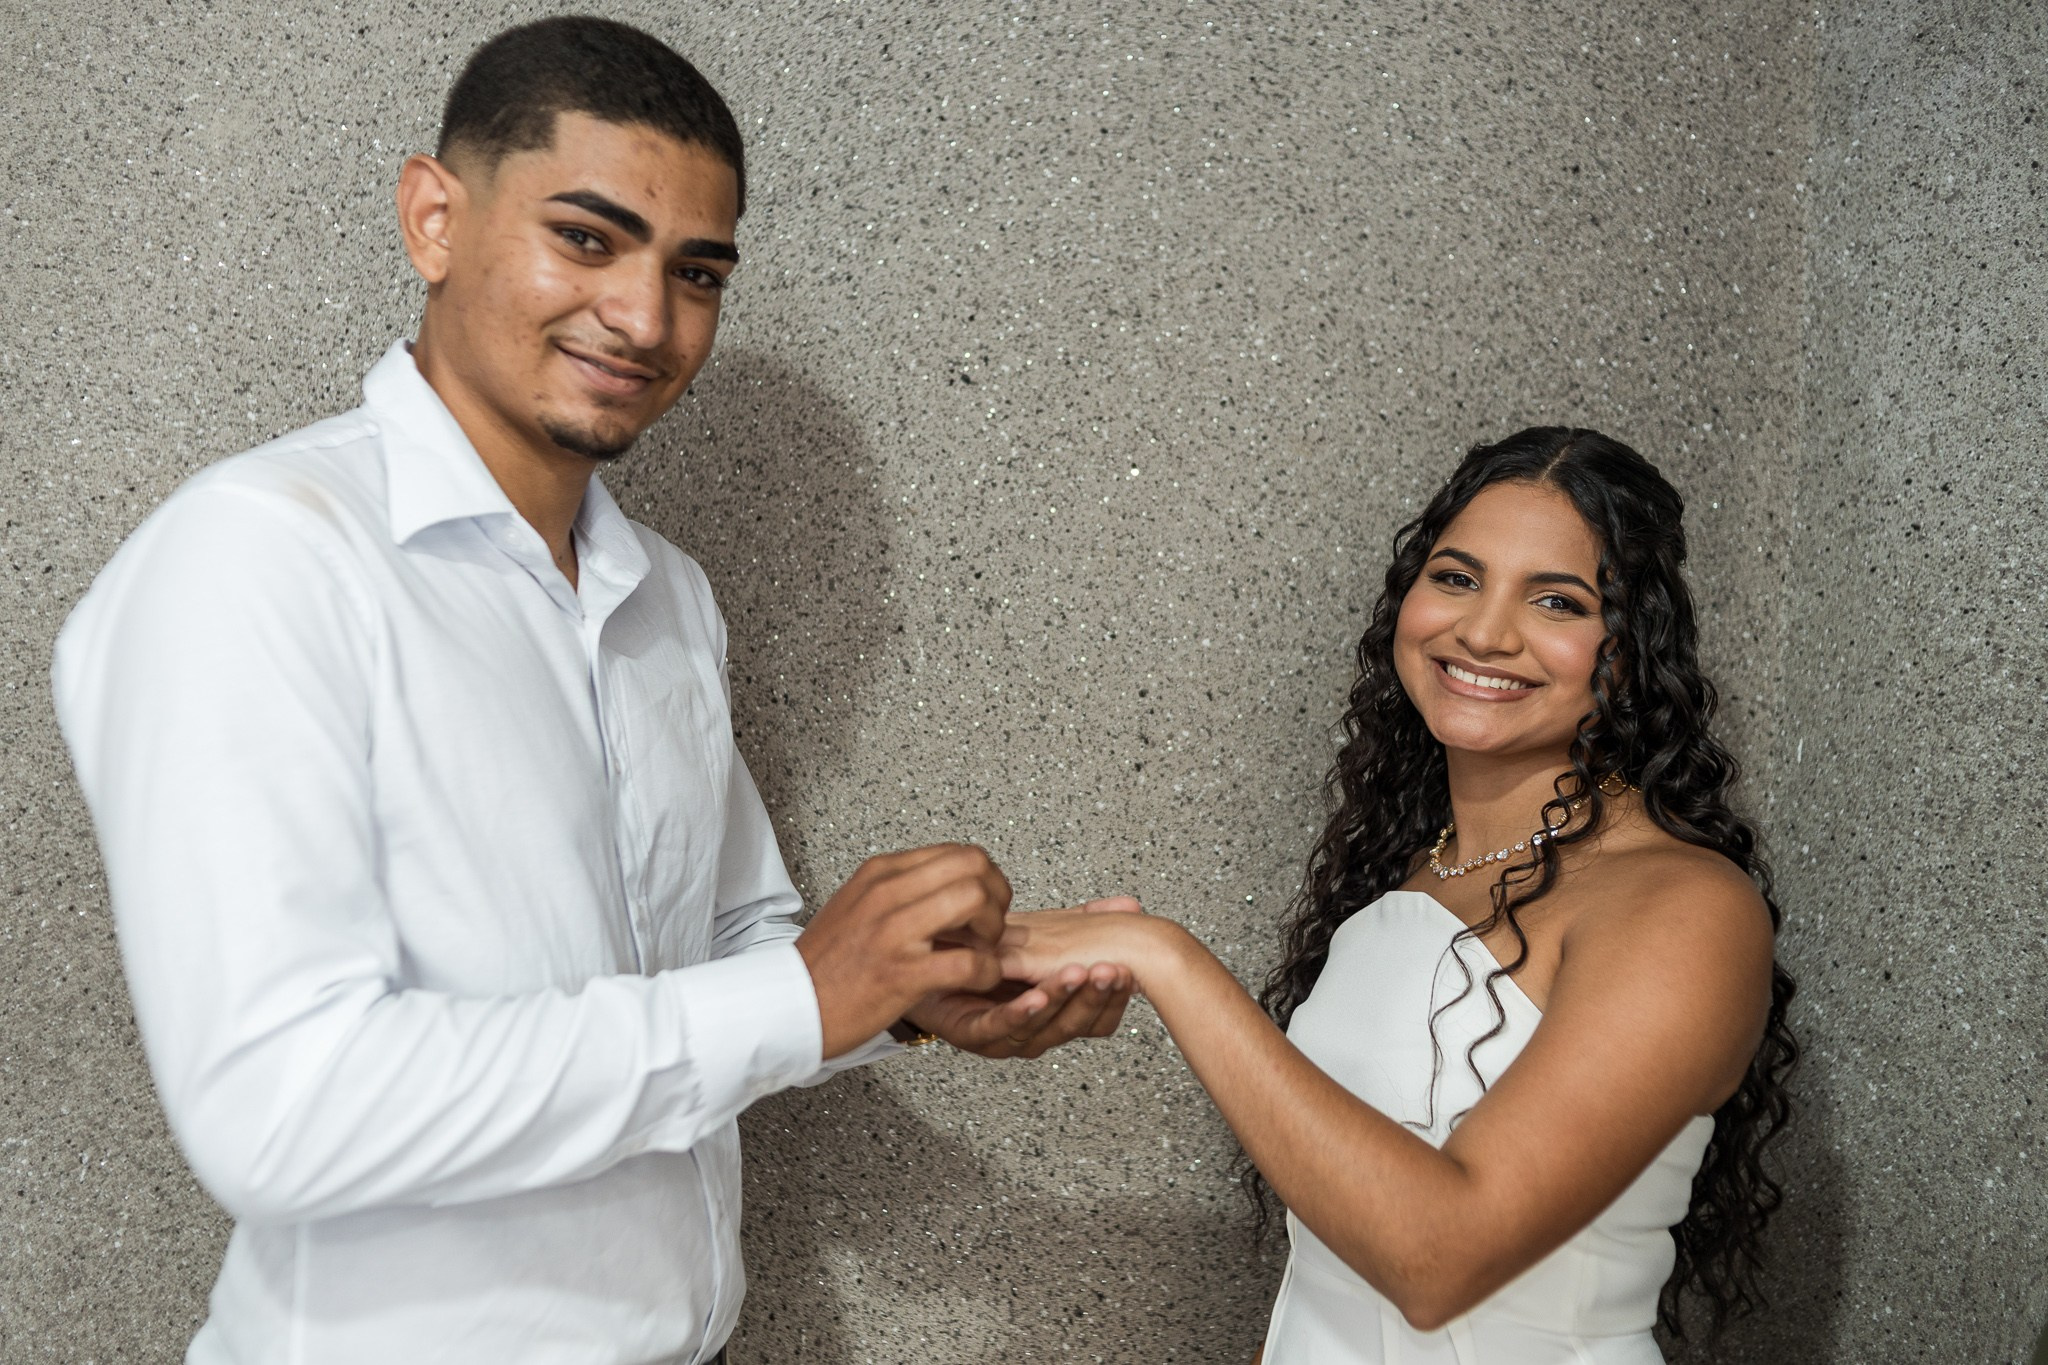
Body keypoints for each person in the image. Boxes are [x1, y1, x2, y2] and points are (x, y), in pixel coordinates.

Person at [52, 18, 1135, 1365]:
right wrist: (804, 994)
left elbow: (733, 945)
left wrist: (897, 1002)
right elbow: (281, 1109)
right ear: (434, 218)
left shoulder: (666, 592)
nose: (646, 318)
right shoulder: (258, 556)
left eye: (698, 271)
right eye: (586, 237)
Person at [1000, 428, 1800, 1363]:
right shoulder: (1409, 875)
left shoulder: (1685, 907)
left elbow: (1439, 1258)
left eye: (1558, 600)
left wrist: (1165, 959)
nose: (1485, 631)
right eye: (1457, 578)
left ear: (1631, 651)